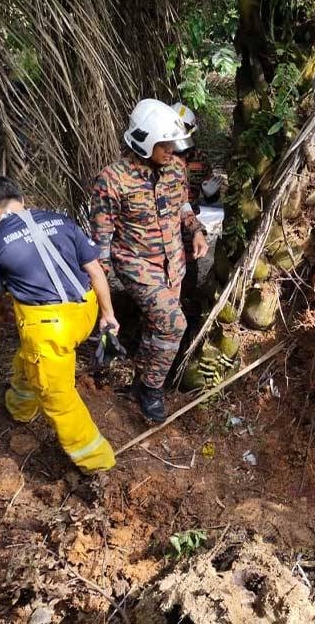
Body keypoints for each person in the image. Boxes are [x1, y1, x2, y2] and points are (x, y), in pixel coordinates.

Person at [0, 176, 118, 473]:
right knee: (30, 358)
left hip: (49, 327)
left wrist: (4, 314)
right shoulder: (61, 221)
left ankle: (98, 463)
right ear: (20, 198)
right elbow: (96, 271)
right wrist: (108, 314)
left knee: (57, 396)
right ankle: (21, 407)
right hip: (86, 312)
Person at [92, 99, 208, 423]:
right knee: (174, 323)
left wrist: (196, 230)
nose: (171, 149)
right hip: (137, 264)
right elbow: (101, 240)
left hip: (174, 262)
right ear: (144, 142)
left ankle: (138, 380)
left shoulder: (176, 168)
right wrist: (101, 300)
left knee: (156, 325)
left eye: (173, 143)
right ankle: (151, 390)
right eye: (165, 144)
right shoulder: (112, 180)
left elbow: (183, 206)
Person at [170, 103, 221, 205]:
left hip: (190, 217)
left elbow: (212, 199)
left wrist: (210, 194)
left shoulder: (199, 158)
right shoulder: (160, 156)